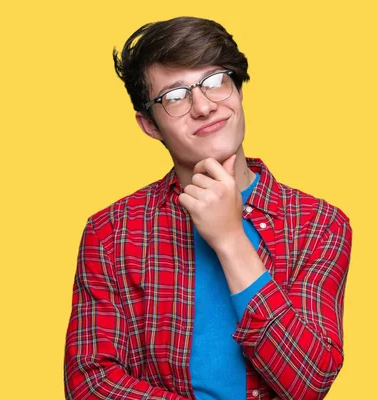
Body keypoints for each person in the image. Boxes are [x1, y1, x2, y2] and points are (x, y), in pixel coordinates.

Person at [63, 16, 352, 400]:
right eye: (175, 95)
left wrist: (231, 239)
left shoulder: (319, 225)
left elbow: (309, 382)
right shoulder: (111, 232)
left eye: (215, 81)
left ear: (238, 90)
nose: (203, 106)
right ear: (149, 125)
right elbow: (90, 382)